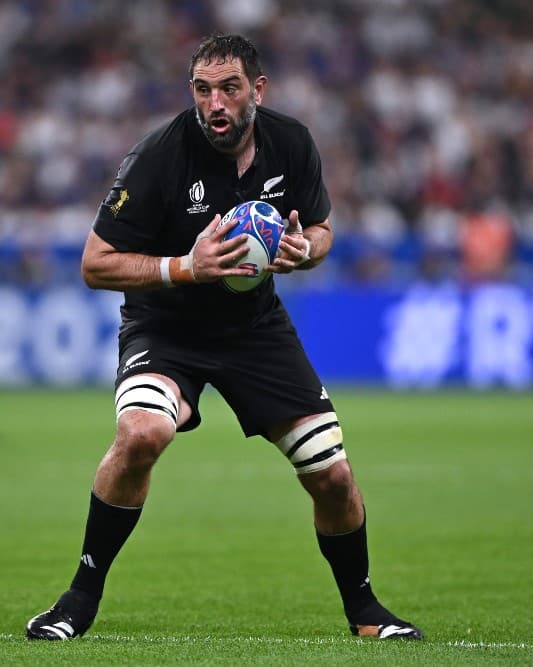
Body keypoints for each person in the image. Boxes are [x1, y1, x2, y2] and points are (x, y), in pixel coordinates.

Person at [26, 33, 423, 642]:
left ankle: (367, 612)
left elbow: (321, 230)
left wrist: (304, 251)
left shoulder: (291, 142)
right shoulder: (159, 155)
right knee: (141, 433)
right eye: (202, 90)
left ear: (256, 91)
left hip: (254, 330)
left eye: (229, 88)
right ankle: (78, 599)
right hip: (167, 323)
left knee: (332, 476)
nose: (215, 103)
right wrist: (185, 266)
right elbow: (95, 263)